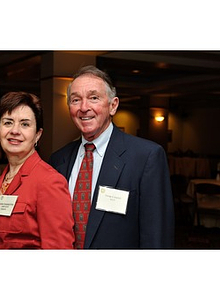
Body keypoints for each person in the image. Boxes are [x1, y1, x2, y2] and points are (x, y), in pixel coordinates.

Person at [49, 65, 174, 249]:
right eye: (76, 100)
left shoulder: (146, 157)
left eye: (93, 98)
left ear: (113, 105)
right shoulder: (59, 160)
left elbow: (157, 236)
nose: (84, 107)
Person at [0, 91, 75, 249]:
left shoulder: (49, 182)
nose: (15, 131)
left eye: (25, 124)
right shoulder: (0, 181)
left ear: (38, 135)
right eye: (8, 122)